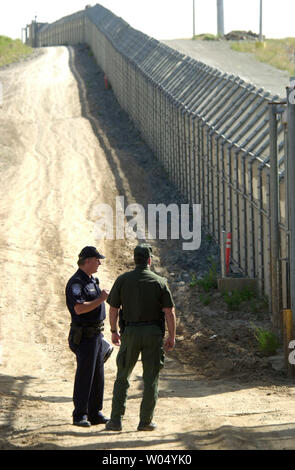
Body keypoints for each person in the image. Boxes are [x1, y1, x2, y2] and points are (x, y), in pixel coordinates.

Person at [105, 243, 176, 432]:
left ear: (134, 260)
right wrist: (172, 336)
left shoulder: (122, 280)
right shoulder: (160, 282)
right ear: (149, 260)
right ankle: (145, 422)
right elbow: (169, 312)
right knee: (151, 378)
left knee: (123, 376)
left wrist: (113, 331)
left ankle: (115, 420)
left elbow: (113, 309)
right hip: (153, 333)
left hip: (130, 333)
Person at [65, 246, 110, 427]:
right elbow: (79, 308)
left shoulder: (91, 280)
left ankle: (94, 412)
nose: (99, 263)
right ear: (88, 260)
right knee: (85, 374)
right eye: (97, 259)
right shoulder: (76, 283)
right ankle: (80, 414)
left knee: (97, 375)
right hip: (85, 336)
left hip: (96, 335)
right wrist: (101, 299)